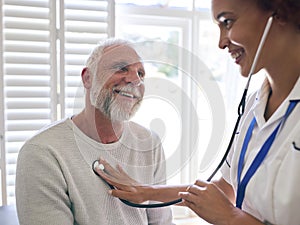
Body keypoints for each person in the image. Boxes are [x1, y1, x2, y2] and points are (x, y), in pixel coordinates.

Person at [94, 1, 300, 225]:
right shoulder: (254, 104)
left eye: (227, 22)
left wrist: (231, 218)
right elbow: (224, 190)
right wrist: (146, 192)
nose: (221, 42)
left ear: (279, 11)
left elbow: (226, 208)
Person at [15, 38, 174, 225]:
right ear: (87, 78)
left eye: (140, 73)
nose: (135, 80)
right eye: (122, 68)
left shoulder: (150, 142)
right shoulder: (42, 152)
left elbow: (161, 223)